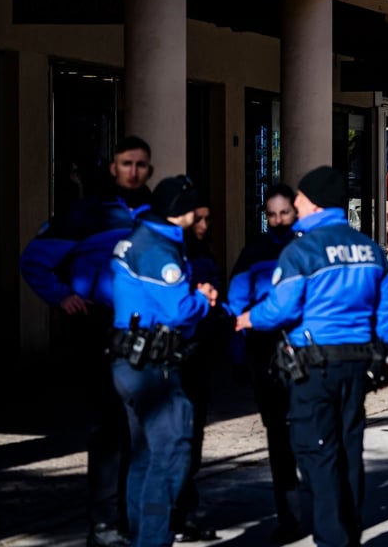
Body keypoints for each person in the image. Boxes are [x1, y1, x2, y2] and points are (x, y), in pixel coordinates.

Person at [235, 167, 388, 547]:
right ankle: (351, 529)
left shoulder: (302, 250)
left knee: (318, 455)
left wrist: (249, 318)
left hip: (313, 366)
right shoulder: (368, 248)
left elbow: (282, 310)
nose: (295, 204)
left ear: (315, 202)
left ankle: (332, 538)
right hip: (357, 362)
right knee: (348, 448)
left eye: (300, 198)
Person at [19, 135, 155, 547]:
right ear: (113, 168)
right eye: (126, 163)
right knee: (110, 428)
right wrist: (63, 296)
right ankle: (104, 522)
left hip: (148, 332)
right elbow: (34, 260)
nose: (134, 171)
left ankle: (135, 516)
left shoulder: (157, 214)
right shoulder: (85, 214)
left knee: (143, 428)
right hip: (102, 329)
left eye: (141, 164)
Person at [108, 175, 219, 547]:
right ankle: (153, 540)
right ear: (181, 211)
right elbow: (178, 310)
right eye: (195, 208)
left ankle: (140, 535)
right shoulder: (157, 248)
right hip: (151, 367)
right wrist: (203, 298)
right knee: (171, 453)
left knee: (144, 456)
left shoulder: (145, 237)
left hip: (132, 361)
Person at [225, 184, 304, 544]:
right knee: (278, 436)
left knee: (307, 432)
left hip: (302, 346)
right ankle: (289, 515)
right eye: (271, 215)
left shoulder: (306, 246)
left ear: (295, 211)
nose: (277, 221)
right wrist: (239, 352)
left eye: (283, 213)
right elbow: (237, 300)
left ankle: (319, 506)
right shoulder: (254, 250)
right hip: (264, 349)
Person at [172, 201, 222, 542]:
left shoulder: (204, 254)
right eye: (198, 218)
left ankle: (185, 511)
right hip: (175, 354)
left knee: (193, 440)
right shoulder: (172, 255)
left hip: (200, 353)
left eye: (207, 218)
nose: (203, 224)